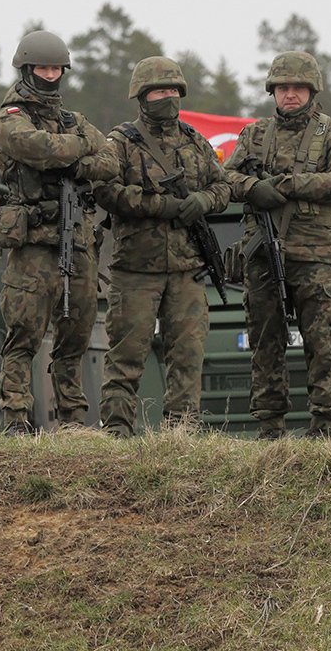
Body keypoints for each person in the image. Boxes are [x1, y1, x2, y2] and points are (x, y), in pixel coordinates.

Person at [224, 51, 331, 439]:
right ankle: (270, 427)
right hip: (263, 253)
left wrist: (288, 186)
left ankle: (324, 426)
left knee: (323, 341)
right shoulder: (253, 135)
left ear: (311, 91)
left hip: (316, 256)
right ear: (273, 91)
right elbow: (226, 177)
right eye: (283, 88)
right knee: (265, 340)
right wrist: (254, 188)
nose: (289, 95)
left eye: (297, 88)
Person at [93, 56, 231, 437]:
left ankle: (180, 433)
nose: (166, 98)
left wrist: (203, 202)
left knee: (187, 354)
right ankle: (117, 433)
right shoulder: (120, 143)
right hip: (136, 270)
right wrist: (161, 206)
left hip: (186, 269)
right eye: (158, 92)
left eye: (172, 91)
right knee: (126, 356)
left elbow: (222, 187)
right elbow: (105, 190)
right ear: (141, 96)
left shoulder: (194, 142)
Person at [0, 30, 118, 434]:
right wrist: (78, 149)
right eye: (42, 68)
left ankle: (73, 418)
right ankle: (15, 417)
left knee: (76, 333)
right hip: (32, 244)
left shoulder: (73, 120)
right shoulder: (10, 117)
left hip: (76, 240)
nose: (49, 75)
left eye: (55, 68)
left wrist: (77, 164)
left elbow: (112, 159)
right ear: (27, 69)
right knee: (24, 333)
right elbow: (35, 148)